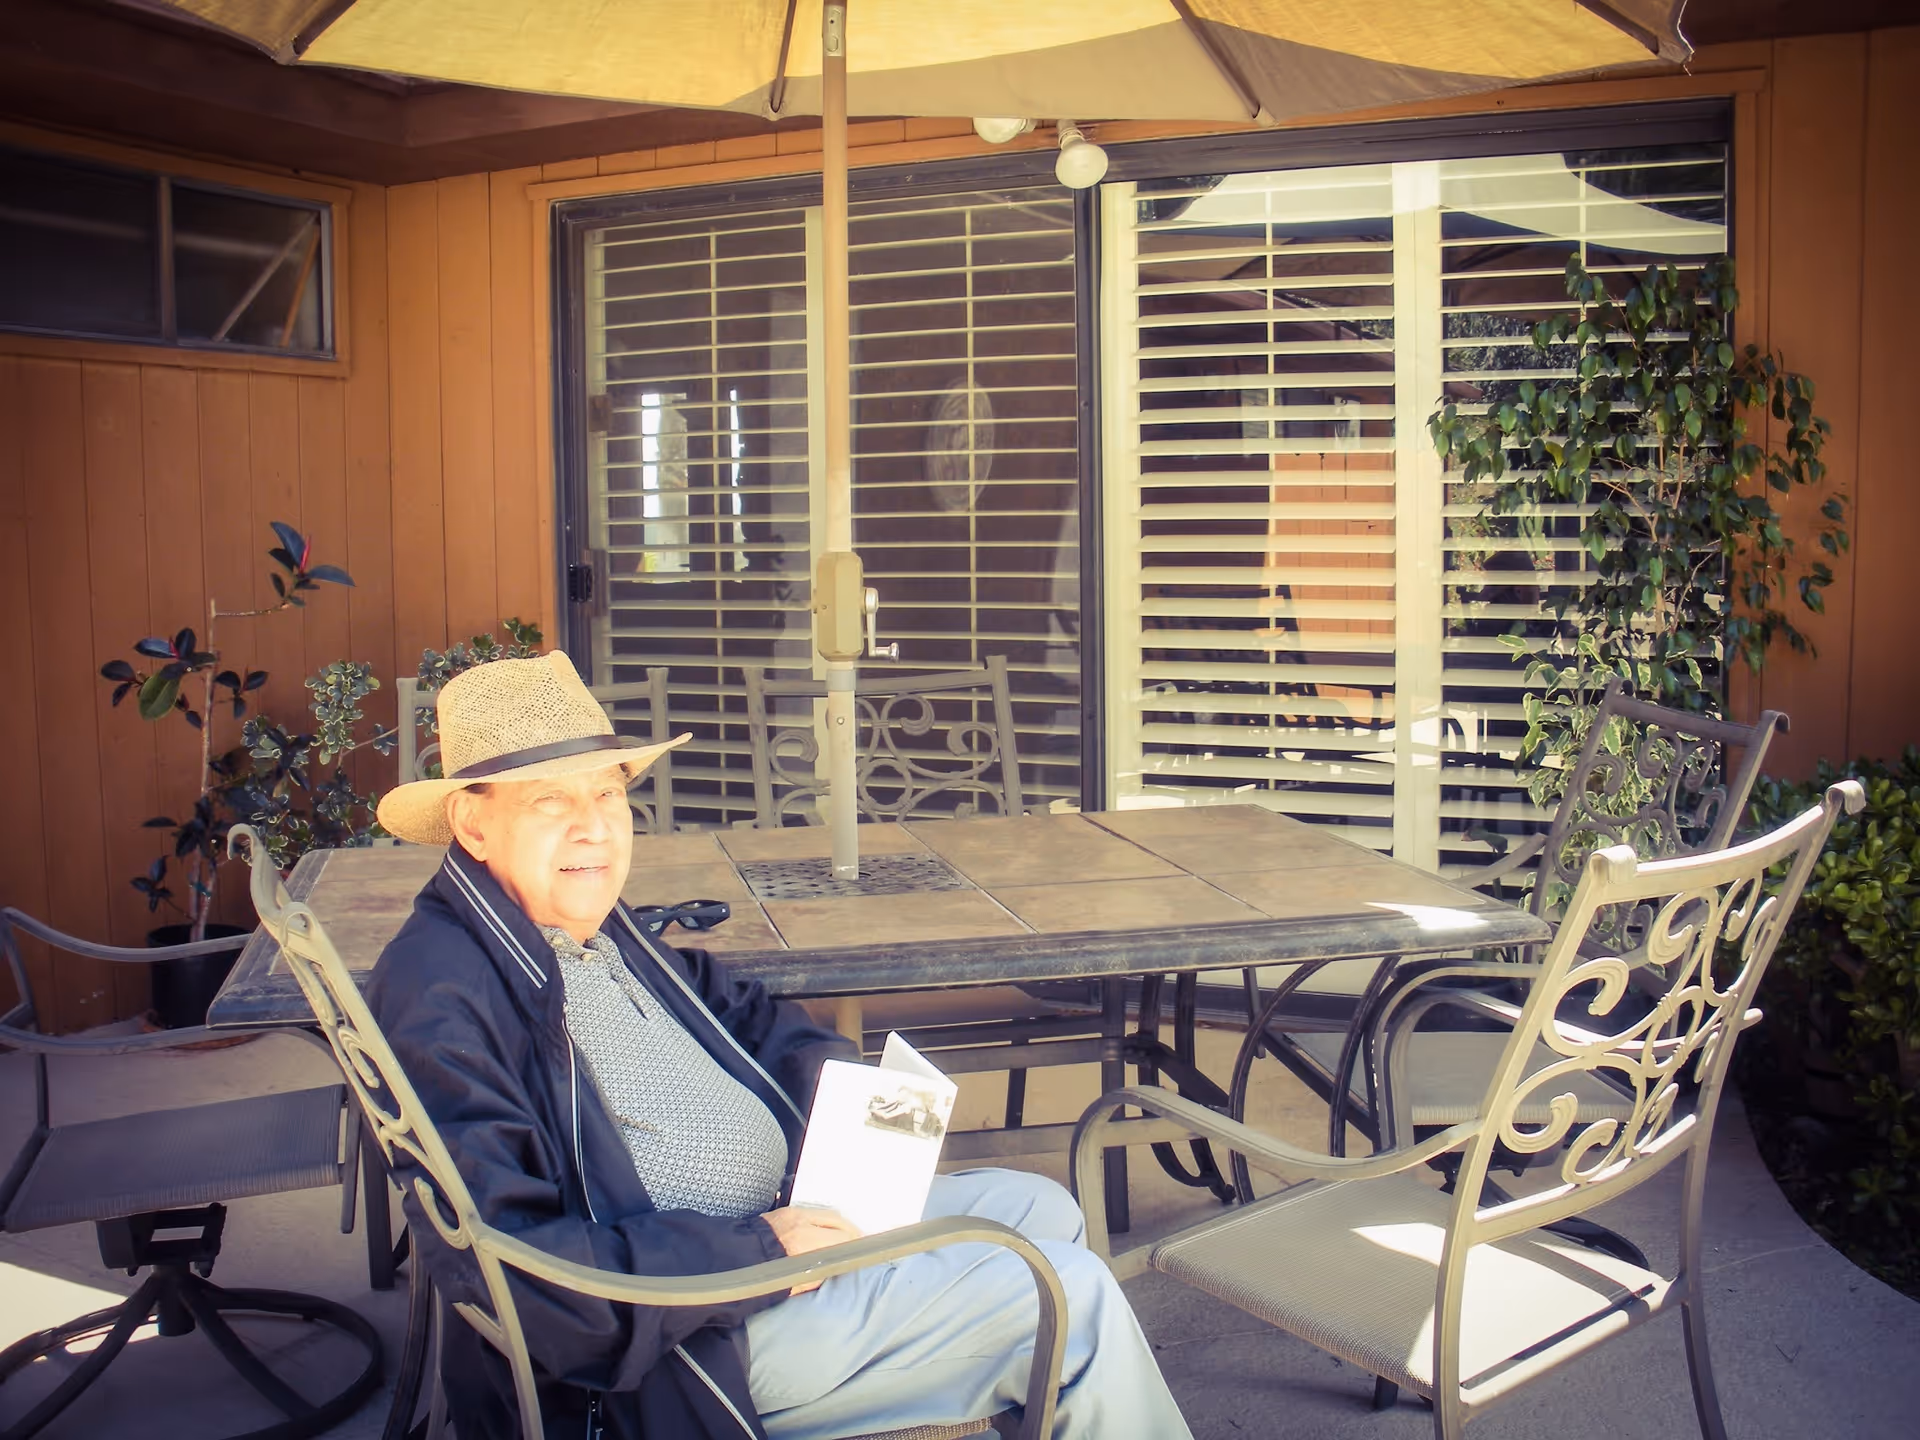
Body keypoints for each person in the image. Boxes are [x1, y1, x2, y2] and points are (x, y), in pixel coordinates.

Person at [368, 651, 1193, 1440]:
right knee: (1070, 1297)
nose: (594, 828)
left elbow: (743, 1010)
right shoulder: (445, 992)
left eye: (609, 795)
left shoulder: (573, 924)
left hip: (775, 1234)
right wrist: (759, 1249)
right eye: (550, 801)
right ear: (473, 824)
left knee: (1044, 1207)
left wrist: (858, 1109)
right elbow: (519, 1269)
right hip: (689, 1339)